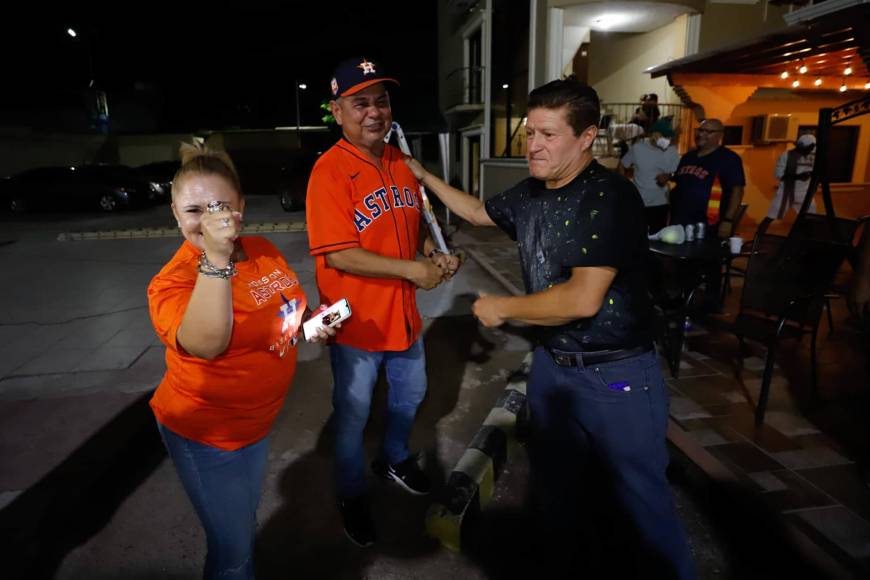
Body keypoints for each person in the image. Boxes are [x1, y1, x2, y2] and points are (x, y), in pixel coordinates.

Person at [404, 79, 695, 579]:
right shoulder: (533, 191)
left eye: (548, 134)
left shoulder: (608, 197)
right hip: (554, 369)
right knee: (556, 492)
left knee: (642, 502)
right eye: (529, 133)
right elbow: (476, 212)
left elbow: (582, 299)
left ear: (586, 137)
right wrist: (423, 175)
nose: (533, 145)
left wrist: (503, 308)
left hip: (617, 377)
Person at [148, 143, 333, 579]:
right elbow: (208, 343)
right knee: (235, 555)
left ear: (242, 208)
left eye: (220, 207)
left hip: (257, 424)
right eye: (194, 210)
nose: (209, 220)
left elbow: (279, 316)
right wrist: (215, 257)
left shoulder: (262, 248)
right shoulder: (172, 283)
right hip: (208, 435)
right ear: (175, 214)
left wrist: (309, 325)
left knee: (241, 525)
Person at [305, 56, 461, 548]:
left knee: (411, 397)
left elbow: (406, 232)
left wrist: (431, 254)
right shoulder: (328, 171)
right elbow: (343, 254)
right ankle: (352, 494)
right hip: (356, 323)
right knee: (351, 416)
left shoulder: (400, 162)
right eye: (360, 103)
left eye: (382, 100)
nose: (374, 112)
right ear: (337, 110)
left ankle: (392, 458)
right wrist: (413, 271)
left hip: (404, 317)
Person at [670, 118, 746, 239]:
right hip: (681, 220)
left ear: (720, 135)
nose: (701, 134)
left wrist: (728, 220)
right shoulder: (688, 157)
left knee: (703, 256)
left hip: (709, 223)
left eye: (708, 132)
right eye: (700, 130)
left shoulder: (729, 159)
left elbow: (737, 191)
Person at [619, 118, 680, 233]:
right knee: (636, 235)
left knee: (658, 236)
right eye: (664, 135)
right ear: (653, 134)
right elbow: (623, 165)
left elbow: (677, 173)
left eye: (668, 136)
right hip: (638, 202)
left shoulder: (671, 151)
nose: (666, 139)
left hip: (661, 202)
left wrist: (668, 176)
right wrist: (624, 186)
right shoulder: (638, 148)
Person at [768, 133, 817, 219]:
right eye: (805, 149)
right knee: (771, 217)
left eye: (810, 149)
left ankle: (804, 232)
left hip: (805, 193)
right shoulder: (786, 156)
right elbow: (779, 175)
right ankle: (759, 232)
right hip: (786, 192)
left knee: (811, 218)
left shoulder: (813, 155)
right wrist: (798, 176)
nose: (807, 151)